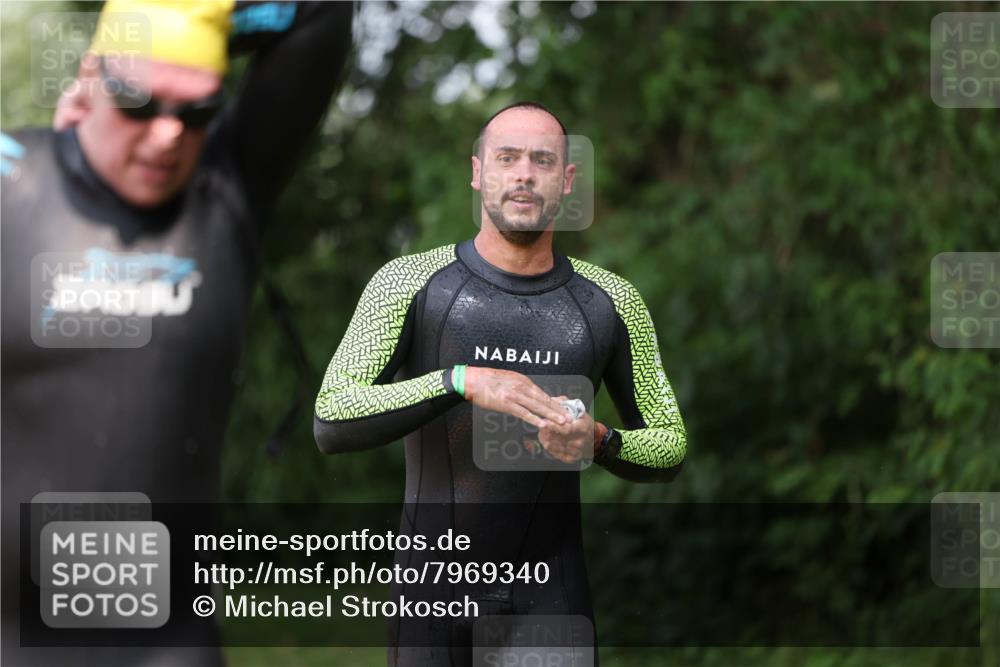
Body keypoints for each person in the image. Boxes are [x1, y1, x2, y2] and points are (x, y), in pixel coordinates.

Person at [1, 1, 353, 665]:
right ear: (90, 78)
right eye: (137, 101)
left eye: (195, 111)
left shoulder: (225, 194)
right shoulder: (12, 178)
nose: (167, 135)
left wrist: (203, 26)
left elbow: (322, 13)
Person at [314, 101, 688, 666]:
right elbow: (332, 417)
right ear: (477, 171)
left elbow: (671, 444)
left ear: (566, 182)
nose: (522, 173)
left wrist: (602, 441)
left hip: (549, 600)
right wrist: (458, 380)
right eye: (507, 157)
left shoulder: (611, 301)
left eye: (542, 160)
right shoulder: (408, 283)